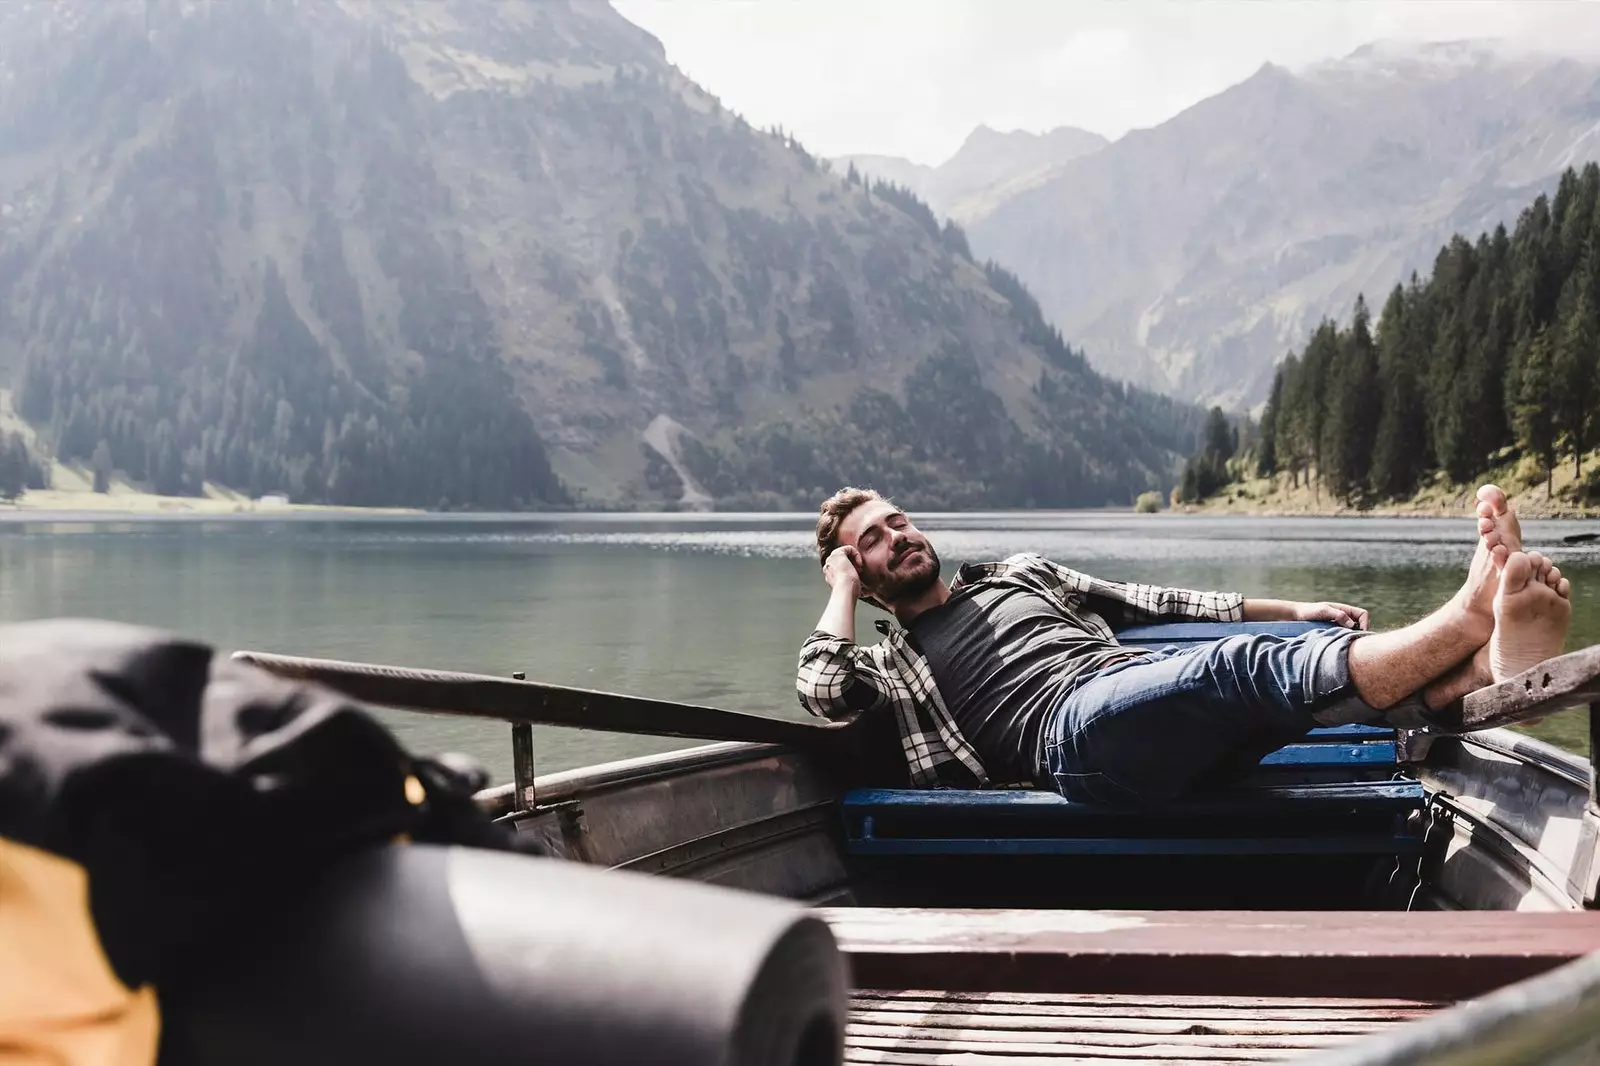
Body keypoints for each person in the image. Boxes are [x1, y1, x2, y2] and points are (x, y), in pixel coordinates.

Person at [795, 485, 1572, 802]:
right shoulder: (892, 667)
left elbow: (1155, 601)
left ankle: (1485, 670)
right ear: (857, 574)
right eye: (871, 541)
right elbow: (824, 693)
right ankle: (1467, 620)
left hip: (1139, 696)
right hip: (1071, 743)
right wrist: (839, 590)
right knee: (1235, 672)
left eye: (898, 522)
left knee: (1259, 670)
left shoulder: (1017, 574)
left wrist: (1295, 605)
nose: (897, 537)